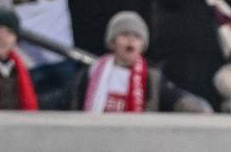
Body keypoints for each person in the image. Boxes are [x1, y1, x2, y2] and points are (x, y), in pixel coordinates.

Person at [74, 11, 207, 112]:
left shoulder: (151, 77)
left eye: (137, 37)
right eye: (125, 35)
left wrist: (199, 107)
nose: (131, 41)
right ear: (112, 42)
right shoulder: (91, 73)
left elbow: (176, 97)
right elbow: (65, 97)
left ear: (143, 46)